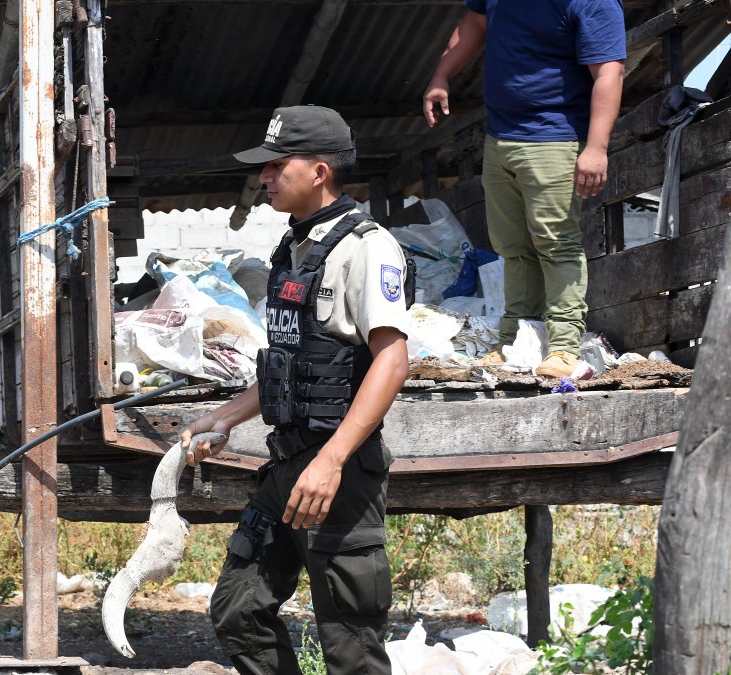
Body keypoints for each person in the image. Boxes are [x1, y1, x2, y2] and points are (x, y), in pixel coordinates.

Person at [181, 105, 410, 675]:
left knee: (351, 650)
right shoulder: (293, 249)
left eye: (277, 164)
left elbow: (392, 360)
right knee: (238, 612)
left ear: (319, 170)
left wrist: (331, 461)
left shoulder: (367, 246)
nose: (264, 176)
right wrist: (226, 417)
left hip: (339, 473)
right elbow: (292, 365)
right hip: (285, 468)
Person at [423, 0, 626, 377]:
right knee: (513, 249)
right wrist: (441, 75)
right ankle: (516, 342)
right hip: (499, 137)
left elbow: (609, 73)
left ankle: (564, 348)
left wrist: (596, 147)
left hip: (555, 139)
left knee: (556, 245)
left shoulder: (592, 2)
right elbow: (474, 22)